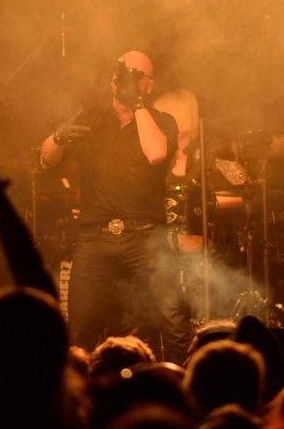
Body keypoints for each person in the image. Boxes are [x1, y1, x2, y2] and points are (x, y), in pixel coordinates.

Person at [39, 51, 192, 363]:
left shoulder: (162, 121)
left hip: (145, 237)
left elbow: (155, 154)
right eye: (122, 73)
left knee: (173, 321)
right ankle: (79, 396)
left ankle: (182, 389)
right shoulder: (90, 118)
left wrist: (136, 104)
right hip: (94, 238)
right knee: (79, 328)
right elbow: (45, 162)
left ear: (149, 86)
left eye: (138, 75)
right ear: (112, 80)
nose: (126, 79)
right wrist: (59, 136)